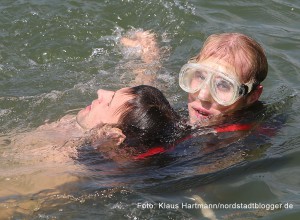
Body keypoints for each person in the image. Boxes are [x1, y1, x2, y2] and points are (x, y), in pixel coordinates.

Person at [121, 31, 268, 126]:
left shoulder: (234, 144)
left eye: (223, 85)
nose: (203, 95)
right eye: (200, 76)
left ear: (252, 96)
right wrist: (149, 60)